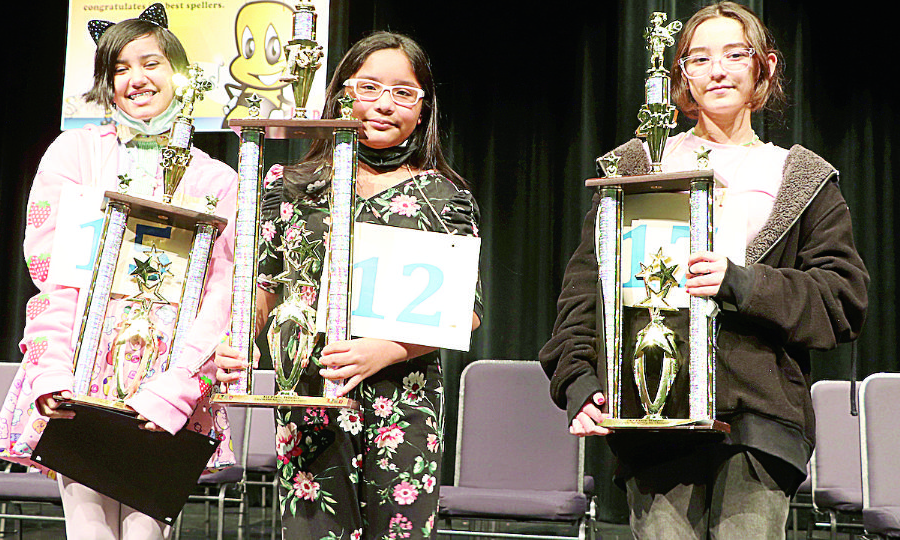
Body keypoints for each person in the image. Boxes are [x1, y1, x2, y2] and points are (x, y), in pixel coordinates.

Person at [539, 2, 869, 538]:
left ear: (765, 67)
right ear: (682, 75)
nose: (718, 70)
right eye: (700, 58)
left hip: (761, 422)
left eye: (735, 55)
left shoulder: (801, 176)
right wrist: (578, 382)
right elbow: (583, 294)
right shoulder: (636, 168)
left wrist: (741, 282)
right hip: (654, 417)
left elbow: (842, 299)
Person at [0, 4, 238, 539]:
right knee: (88, 527)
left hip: (172, 374)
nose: (136, 79)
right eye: (119, 68)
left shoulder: (216, 177)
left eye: (150, 62)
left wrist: (180, 384)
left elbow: (225, 292)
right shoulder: (74, 153)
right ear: (105, 82)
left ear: (180, 73)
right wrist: (52, 368)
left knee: (149, 531)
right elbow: (53, 268)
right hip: (82, 364)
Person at [216, 31, 482, 540]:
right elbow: (264, 286)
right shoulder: (290, 186)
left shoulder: (444, 195)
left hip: (405, 399)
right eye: (369, 88)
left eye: (404, 92)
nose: (385, 104)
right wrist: (237, 339)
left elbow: (465, 312)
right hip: (309, 391)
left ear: (423, 110)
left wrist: (382, 351)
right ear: (341, 94)